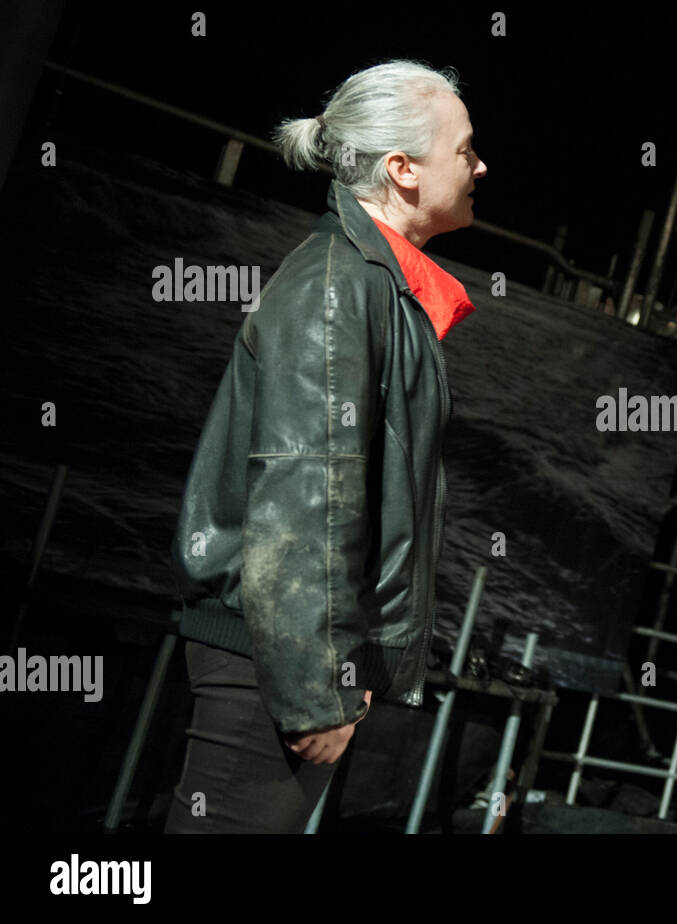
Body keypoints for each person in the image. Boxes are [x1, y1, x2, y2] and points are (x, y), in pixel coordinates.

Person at [165, 59, 487, 833]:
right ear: (402, 169)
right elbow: (309, 496)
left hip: (287, 653)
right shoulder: (340, 287)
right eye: (465, 149)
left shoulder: (378, 284)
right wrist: (315, 690)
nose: (481, 166)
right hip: (272, 661)